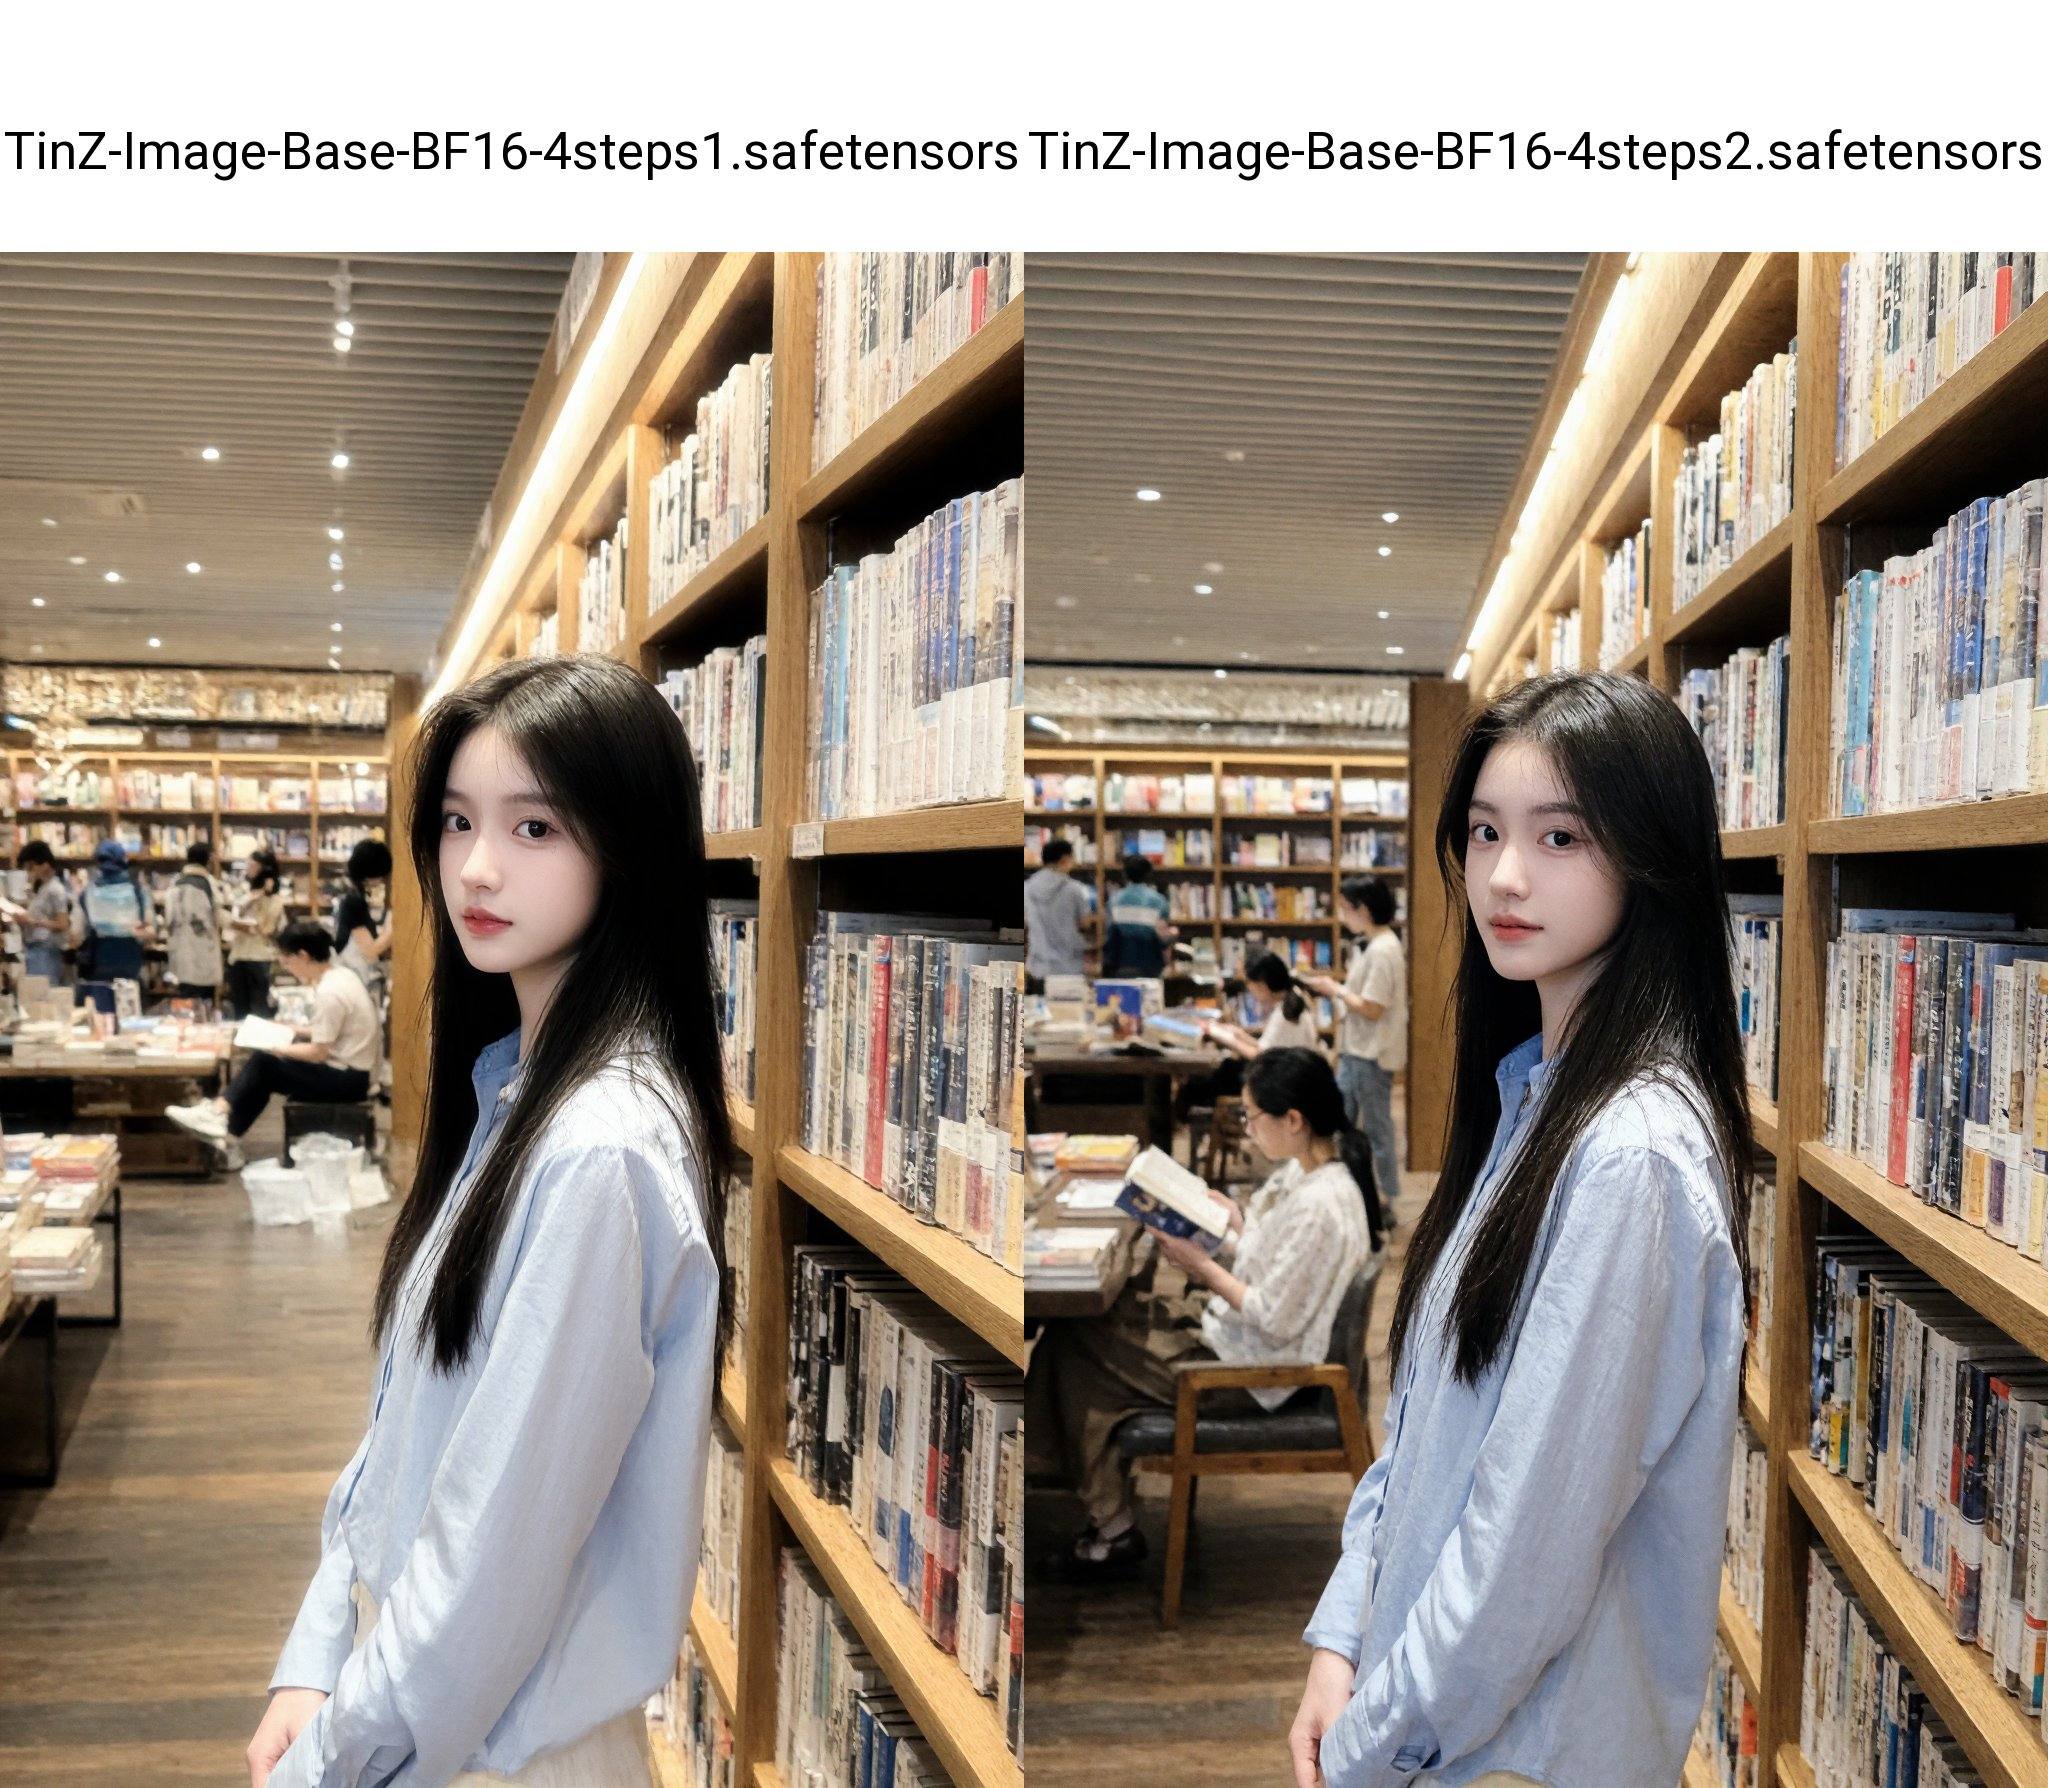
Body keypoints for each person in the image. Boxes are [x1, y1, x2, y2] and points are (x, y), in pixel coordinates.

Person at [240, 654, 732, 1788]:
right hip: (425, 1707)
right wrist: (316, 1648)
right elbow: (410, 1422)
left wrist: (330, 1758)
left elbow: (488, 1568)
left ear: (630, 846)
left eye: (536, 829)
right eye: (457, 822)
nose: (478, 867)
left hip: (500, 1751)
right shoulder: (513, 1090)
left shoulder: (598, 1150)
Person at [1289, 673, 1751, 1788]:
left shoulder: (1628, 1157)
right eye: (1485, 831)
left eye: (1559, 837)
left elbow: (1522, 1560)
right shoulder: (1531, 1098)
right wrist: (1340, 1637)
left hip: (1509, 1753)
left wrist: (1368, 1744)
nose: (1503, 875)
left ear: (1648, 855)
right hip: (1433, 1714)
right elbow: (1420, 1425)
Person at [1049, 1046, 1380, 1571]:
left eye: (1252, 1117)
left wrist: (1197, 1262)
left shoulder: (1321, 1205)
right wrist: (1233, 1227)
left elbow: (1272, 1313)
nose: (1247, 1129)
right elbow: (1280, 1265)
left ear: (1293, 1120)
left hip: (1253, 1371)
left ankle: (1104, 1521)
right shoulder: (1311, 1174)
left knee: (1075, 1346)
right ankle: (1098, 1505)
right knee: (1098, 1326)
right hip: (1233, 1339)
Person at [167, 921, 378, 1169]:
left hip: (347, 1080)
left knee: (264, 1063)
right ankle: (227, 1132)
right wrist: (289, 1030)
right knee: (264, 1071)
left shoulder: (330, 992)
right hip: (351, 1072)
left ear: (303, 955)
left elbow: (318, 1052)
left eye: (287, 962)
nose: (288, 968)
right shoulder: (341, 976)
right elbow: (330, 1033)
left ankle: (219, 1112)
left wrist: (276, 1047)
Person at [1305, 876, 1407, 1227]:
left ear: (1363, 909)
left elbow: (1373, 1007)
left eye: (1346, 908)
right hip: (1358, 1051)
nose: (1343, 916)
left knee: (1376, 1130)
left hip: (1370, 1054)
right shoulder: (1374, 945)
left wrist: (1333, 989)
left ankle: (1385, 1201)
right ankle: (1351, 1194)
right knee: (1343, 1123)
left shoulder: (1383, 949)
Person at [1207, 950, 1321, 1059]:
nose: (1248, 988)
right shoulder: (1292, 996)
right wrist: (1238, 1033)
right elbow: (1267, 1046)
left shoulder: (1285, 1012)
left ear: (1262, 984)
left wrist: (1225, 1037)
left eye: (1248, 982)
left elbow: (1261, 1056)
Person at [76, 838, 151, 984]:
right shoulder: (137, 890)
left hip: (98, 960)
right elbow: (147, 927)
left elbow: (77, 931)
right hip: (130, 961)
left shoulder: (88, 891)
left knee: (101, 1004)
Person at [225, 849, 288, 1020]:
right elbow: (230, 921)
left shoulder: (274, 899)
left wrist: (260, 897)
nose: (248, 869)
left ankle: (259, 1047)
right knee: (239, 1009)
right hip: (239, 956)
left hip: (260, 957)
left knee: (260, 1009)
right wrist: (253, 897)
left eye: (252, 865)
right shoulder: (243, 893)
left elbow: (267, 929)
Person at [1025, 837, 1094, 983]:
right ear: (1065, 859)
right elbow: (1085, 924)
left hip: (1038, 967)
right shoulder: (1075, 889)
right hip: (1069, 968)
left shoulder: (1027, 887)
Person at [164, 840, 226, 1004]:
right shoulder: (207, 883)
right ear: (208, 859)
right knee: (204, 1005)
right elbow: (216, 917)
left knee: (186, 1004)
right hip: (202, 955)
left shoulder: (175, 883)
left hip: (179, 955)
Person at [333, 837, 393, 1000]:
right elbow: (370, 951)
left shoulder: (352, 895)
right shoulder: (354, 901)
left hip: (353, 978)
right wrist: (392, 928)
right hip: (355, 979)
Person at [1101, 854, 1176, 977]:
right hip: (1150, 967)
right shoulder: (1159, 901)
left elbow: (1109, 935)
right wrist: (1173, 933)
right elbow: (1162, 939)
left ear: (1125, 874)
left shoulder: (1113, 901)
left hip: (1119, 965)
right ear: (1148, 874)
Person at [16, 841, 75, 985]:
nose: (29, 872)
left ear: (45, 865)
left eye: (31, 867)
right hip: (35, 950)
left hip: (46, 951)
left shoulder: (55, 890)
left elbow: (63, 924)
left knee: (42, 996)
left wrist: (32, 922)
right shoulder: (43, 888)